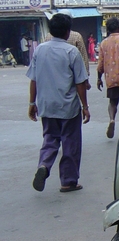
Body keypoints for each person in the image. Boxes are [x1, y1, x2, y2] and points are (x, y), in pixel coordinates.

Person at [27, 13, 90, 193]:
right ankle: (68, 181)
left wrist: (32, 103)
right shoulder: (71, 52)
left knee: (50, 139)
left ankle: (44, 165)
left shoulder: (39, 50)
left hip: (46, 105)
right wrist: (85, 107)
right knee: (70, 143)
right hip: (68, 106)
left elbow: (34, 79)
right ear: (67, 32)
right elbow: (80, 83)